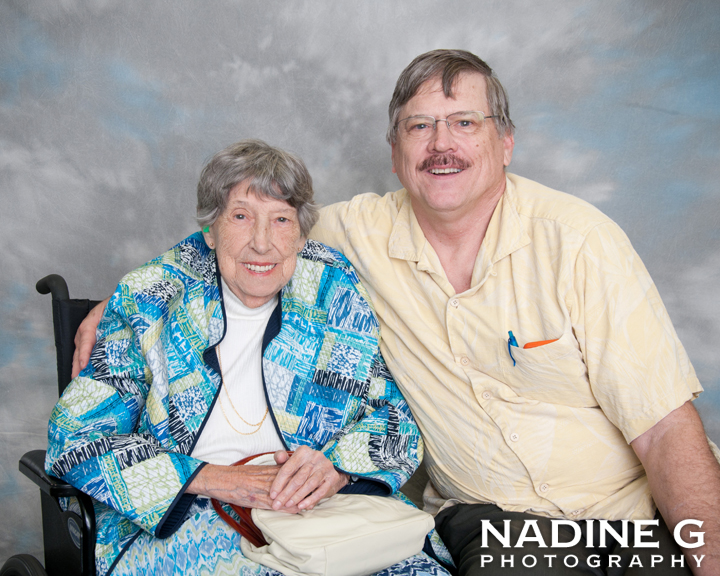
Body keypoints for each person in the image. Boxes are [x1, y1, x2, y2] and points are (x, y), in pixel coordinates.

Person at [72, 51, 720, 575]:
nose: (442, 144)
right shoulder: (346, 240)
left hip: (632, 517)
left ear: (506, 143)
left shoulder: (576, 242)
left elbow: (666, 430)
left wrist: (336, 462)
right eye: (420, 126)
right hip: (496, 528)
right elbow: (249, 235)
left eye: (464, 122)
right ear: (395, 152)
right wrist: (129, 299)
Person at [47, 139, 452, 576]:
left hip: (323, 512)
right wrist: (212, 478)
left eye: (281, 220)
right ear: (210, 230)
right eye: (241, 216)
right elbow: (76, 439)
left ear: (301, 234)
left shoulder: (333, 289)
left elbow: (395, 418)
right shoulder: (153, 300)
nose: (262, 243)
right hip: (189, 517)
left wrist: (337, 468)